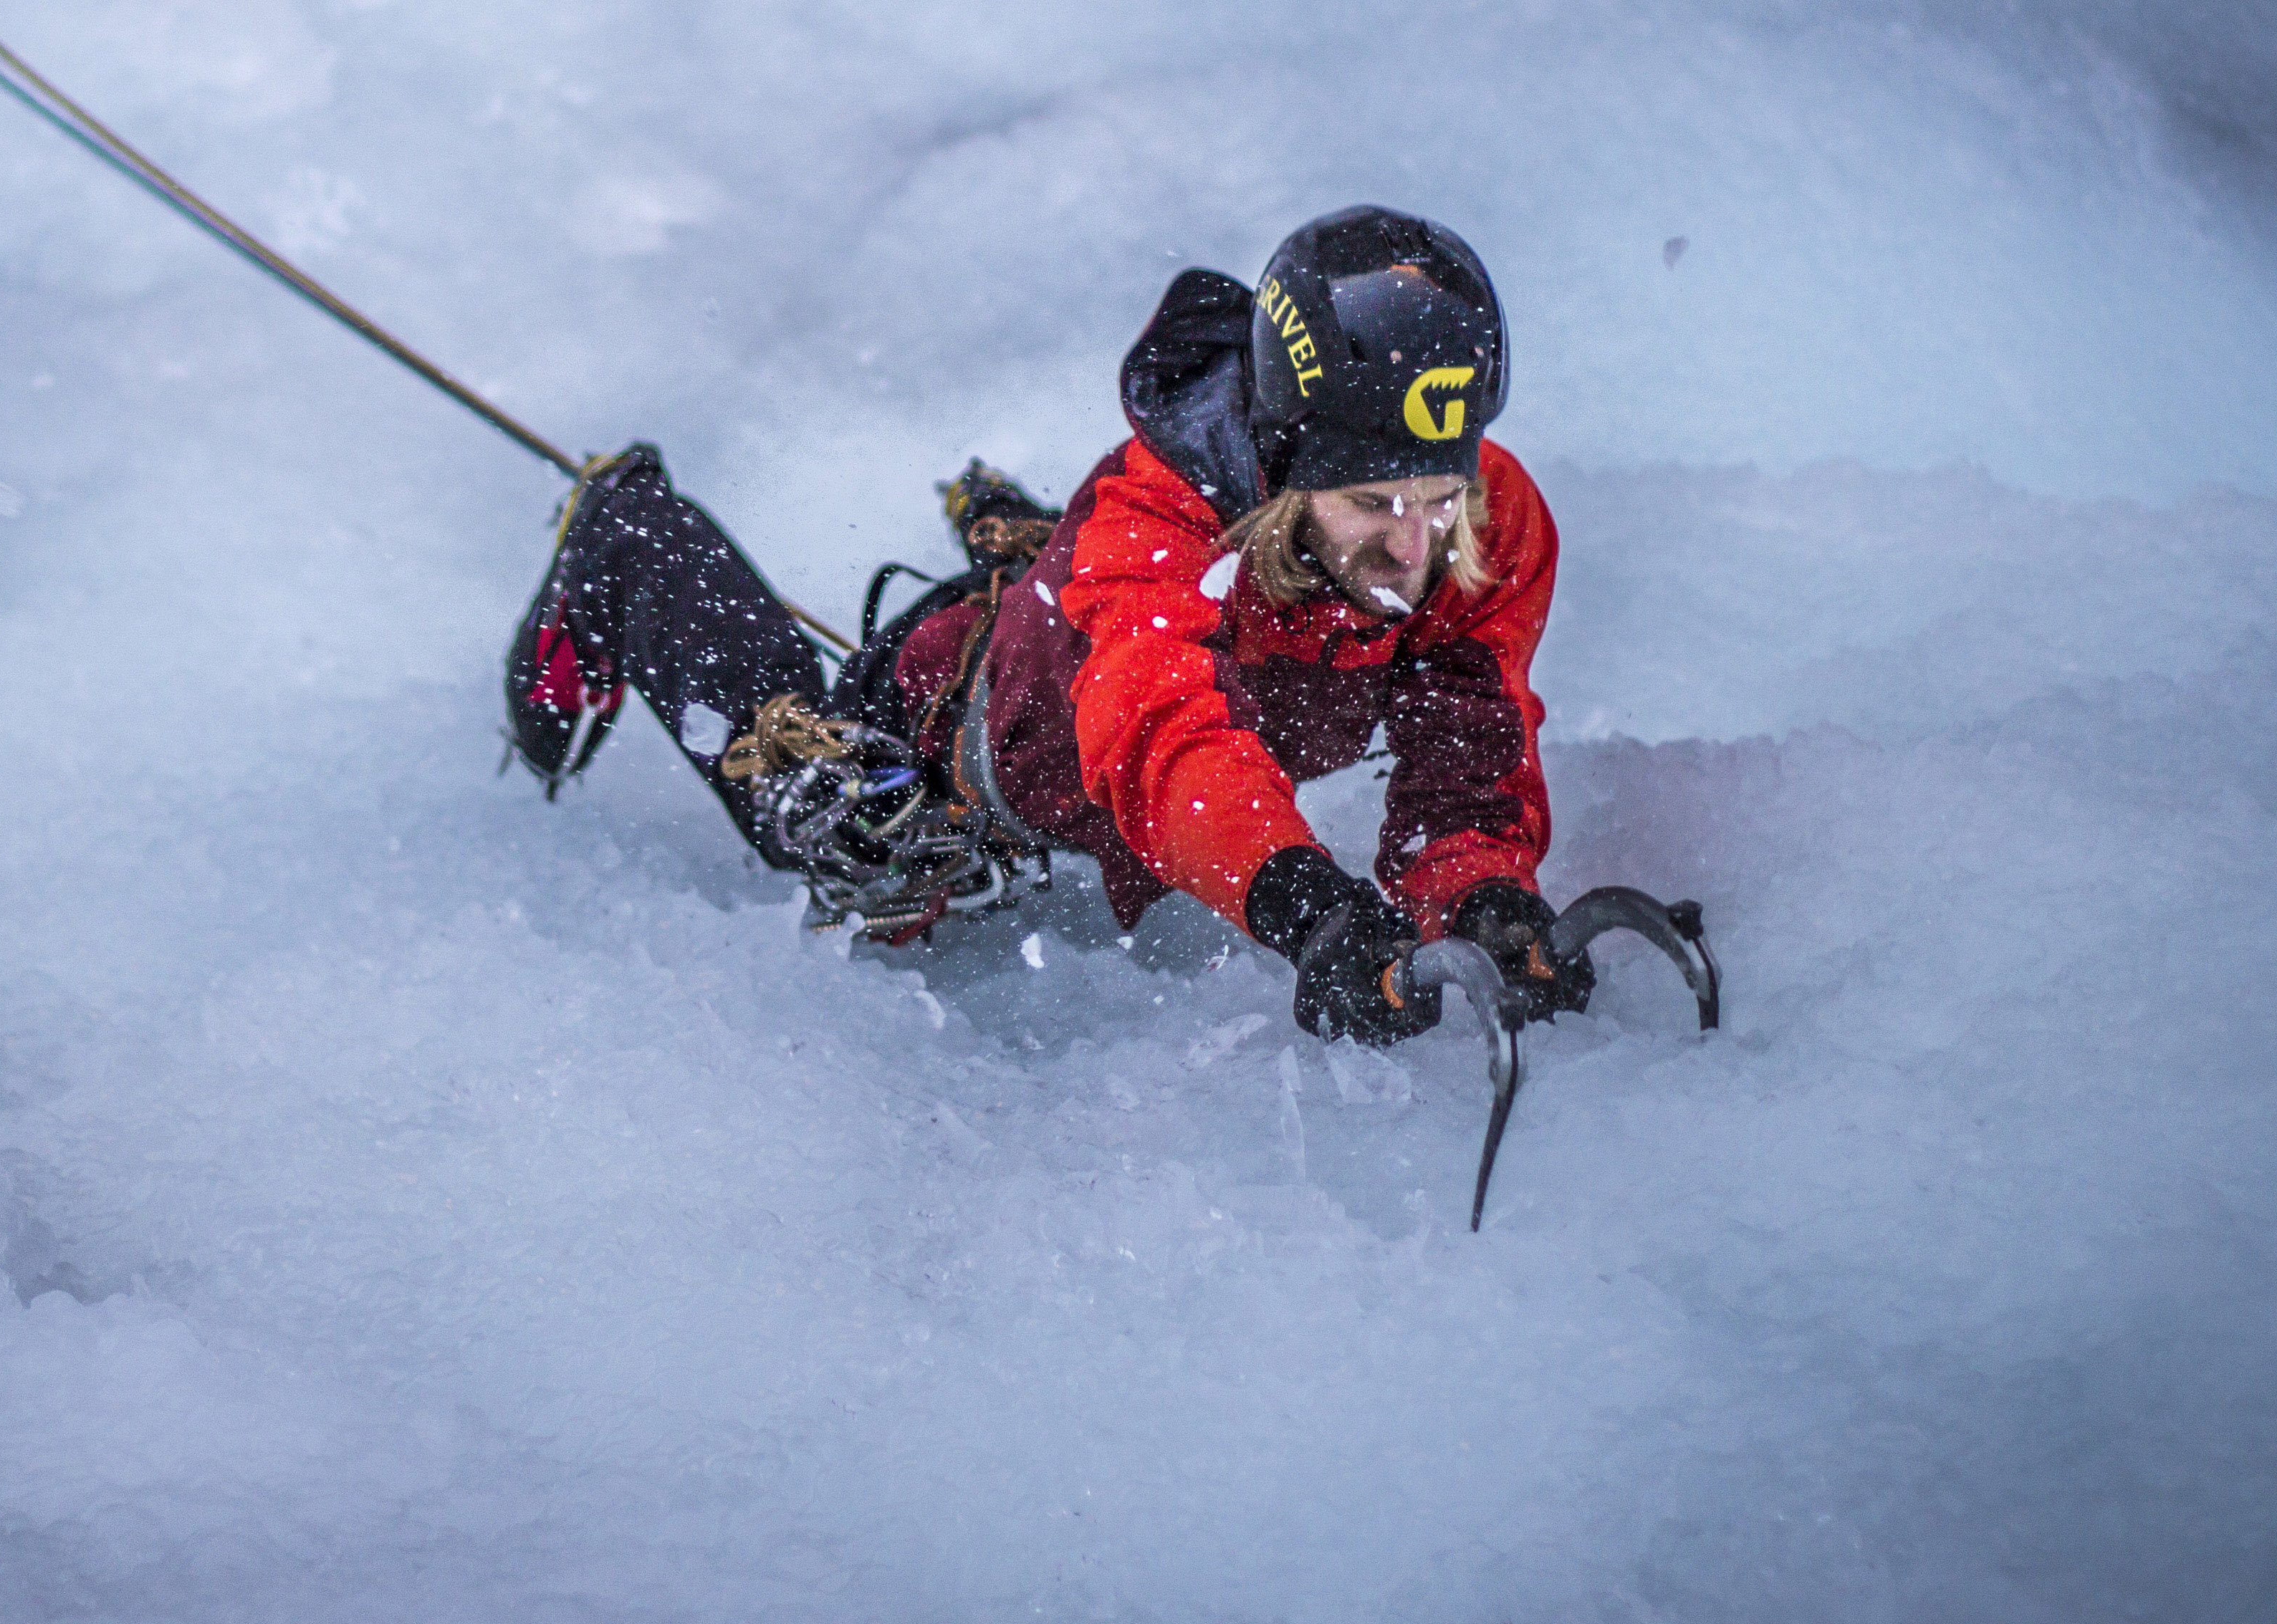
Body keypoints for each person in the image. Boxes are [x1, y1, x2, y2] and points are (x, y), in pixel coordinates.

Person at [502, 203, 1591, 1044]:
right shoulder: (1156, 520)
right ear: (1284, 469)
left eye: (1437, 497)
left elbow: (1469, 746)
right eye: (1371, 506)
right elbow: (1164, 734)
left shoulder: (1486, 526)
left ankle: (1019, 544)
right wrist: (1303, 905)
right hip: (944, 740)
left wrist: (1483, 895)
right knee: (812, 816)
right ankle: (629, 538)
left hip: (1062, 675)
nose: (1415, 547)